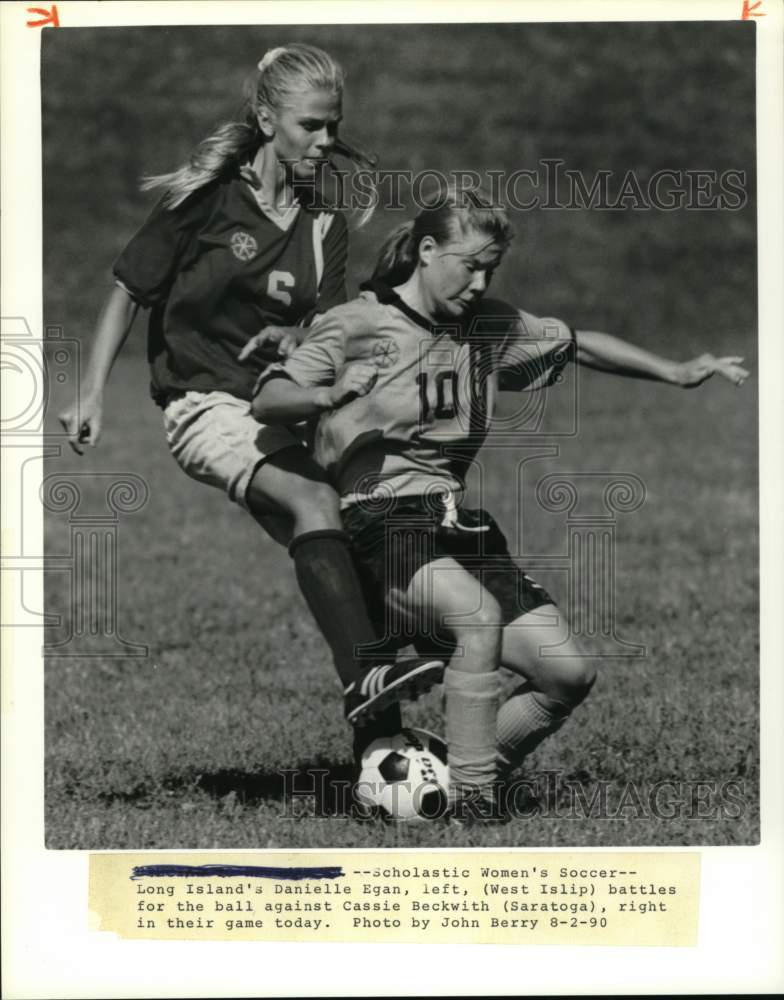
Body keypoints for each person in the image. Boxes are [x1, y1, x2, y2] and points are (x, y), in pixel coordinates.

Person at [251, 184, 748, 822]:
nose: (481, 281)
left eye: (491, 268)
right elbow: (270, 401)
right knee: (477, 621)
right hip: (378, 520)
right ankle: (476, 807)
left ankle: (454, 774)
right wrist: (326, 396)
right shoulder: (358, 324)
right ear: (427, 252)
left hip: (455, 523)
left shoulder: (486, 329)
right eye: (470, 264)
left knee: (569, 674)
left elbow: (578, 343)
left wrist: (677, 370)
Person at [57, 43, 443, 739]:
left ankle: (381, 742)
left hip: (280, 413)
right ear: (267, 119)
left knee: (356, 558)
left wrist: (312, 350)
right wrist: (91, 393)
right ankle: (367, 677)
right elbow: (128, 290)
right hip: (202, 405)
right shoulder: (206, 201)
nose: (326, 143)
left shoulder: (324, 227)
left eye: (333, 126)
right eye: (311, 126)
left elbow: (322, 335)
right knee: (314, 500)